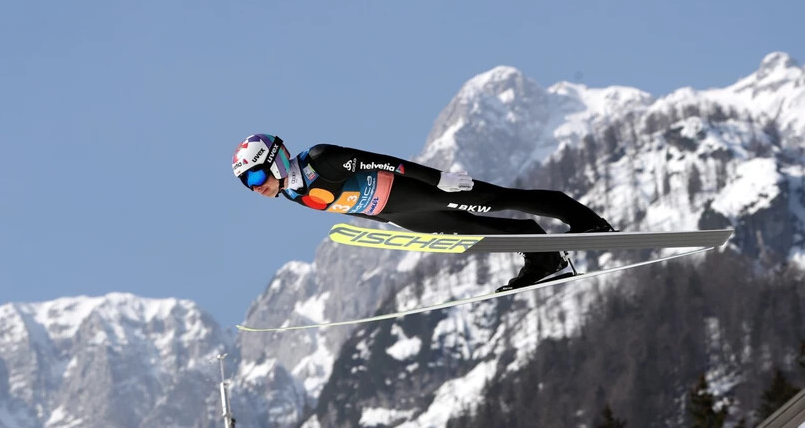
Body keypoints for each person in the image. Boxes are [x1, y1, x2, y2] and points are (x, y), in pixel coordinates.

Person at [232, 134, 615, 291]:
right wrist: (388, 220)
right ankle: (544, 257)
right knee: (473, 232)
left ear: (275, 159)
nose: (255, 186)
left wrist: (439, 179)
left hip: (418, 190)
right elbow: (350, 204)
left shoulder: (322, 159)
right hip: (401, 213)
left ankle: (585, 220)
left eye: (256, 174)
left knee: (498, 200)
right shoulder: (292, 194)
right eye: (246, 183)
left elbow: (383, 163)